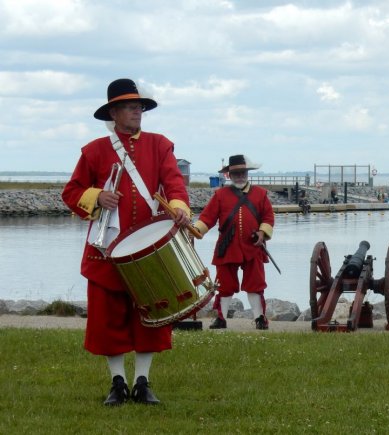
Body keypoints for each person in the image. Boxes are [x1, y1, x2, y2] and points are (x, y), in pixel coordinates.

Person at [62, 78, 191, 405]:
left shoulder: (160, 145)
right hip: (107, 250)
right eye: (131, 106)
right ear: (114, 112)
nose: (138, 111)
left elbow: (174, 184)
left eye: (140, 106)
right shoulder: (94, 151)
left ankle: (142, 382)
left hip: (149, 249)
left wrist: (177, 207)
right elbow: (71, 193)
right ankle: (117, 383)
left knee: (151, 316)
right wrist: (97, 196)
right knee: (109, 317)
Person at [193, 155, 275, 330]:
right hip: (227, 247)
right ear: (229, 175)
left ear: (247, 173)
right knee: (224, 284)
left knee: (255, 283)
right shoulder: (220, 195)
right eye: (236, 173)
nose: (240, 176)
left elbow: (268, 217)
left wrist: (262, 232)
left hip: (253, 247)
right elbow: (207, 218)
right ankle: (221, 318)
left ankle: (260, 318)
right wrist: (194, 231)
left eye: (242, 172)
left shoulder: (261, 194)